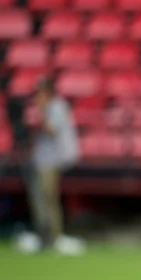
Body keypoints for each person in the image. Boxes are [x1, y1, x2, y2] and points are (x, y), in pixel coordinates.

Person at [23, 77, 81, 254]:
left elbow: (52, 130)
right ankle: (44, 236)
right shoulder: (47, 107)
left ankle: (54, 237)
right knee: (41, 199)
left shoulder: (56, 107)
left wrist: (41, 111)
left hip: (52, 161)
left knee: (49, 199)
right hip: (42, 160)